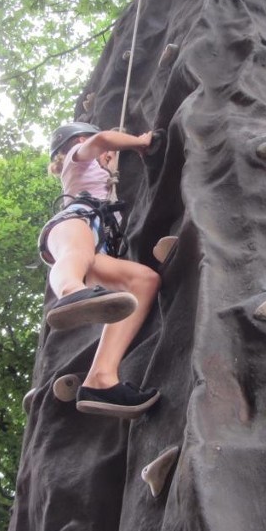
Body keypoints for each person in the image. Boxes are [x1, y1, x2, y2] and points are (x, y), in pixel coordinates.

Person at [38, 122, 162, 419]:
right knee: (76, 253)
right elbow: (104, 138)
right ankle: (70, 292)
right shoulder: (76, 156)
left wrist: (108, 167)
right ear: (80, 140)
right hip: (74, 223)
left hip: (96, 244)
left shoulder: (99, 174)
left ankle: (101, 379)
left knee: (144, 281)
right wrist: (139, 141)